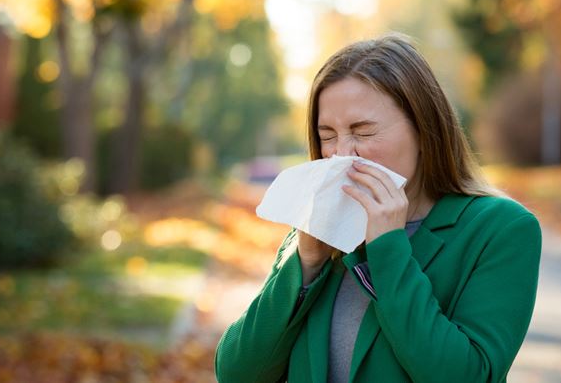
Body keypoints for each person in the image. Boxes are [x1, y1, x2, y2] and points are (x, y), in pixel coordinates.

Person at [215, 34, 542, 382]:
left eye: (363, 131)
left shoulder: (501, 230)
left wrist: (388, 250)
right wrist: (304, 263)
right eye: (327, 135)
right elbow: (237, 373)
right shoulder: (320, 231)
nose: (341, 153)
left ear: (423, 130)